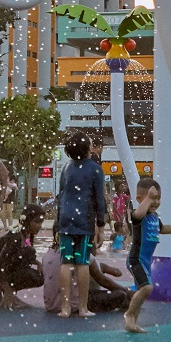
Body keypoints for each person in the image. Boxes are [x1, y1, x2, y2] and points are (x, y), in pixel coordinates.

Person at [124, 177, 171, 333]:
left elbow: (163, 229)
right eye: (151, 198)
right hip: (136, 259)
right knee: (147, 288)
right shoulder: (138, 216)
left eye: (158, 198)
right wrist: (148, 199)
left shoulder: (154, 217)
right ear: (139, 199)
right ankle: (129, 315)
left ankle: (133, 323)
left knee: (141, 292)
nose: (155, 202)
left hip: (146, 261)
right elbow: (139, 213)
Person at [53, 132, 107, 319]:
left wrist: (58, 223)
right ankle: (83, 307)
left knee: (66, 262)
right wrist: (101, 226)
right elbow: (99, 200)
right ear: (87, 148)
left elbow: (61, 196)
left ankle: (65, 308)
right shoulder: (95, 169)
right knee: (82, 262)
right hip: (84, 220)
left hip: (66, 220)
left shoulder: (66, 168)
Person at [0, 204, 46, 309]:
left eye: (41, 222)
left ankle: (9, 295)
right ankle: (7, 292)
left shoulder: (27, 234)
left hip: (3, 270)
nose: (40, 226)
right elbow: (0, 263)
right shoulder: (15, 236)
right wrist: (7, 288)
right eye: (37, 222)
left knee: (40, 276)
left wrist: (37, 263)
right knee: (29, 253)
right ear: (27, 221)